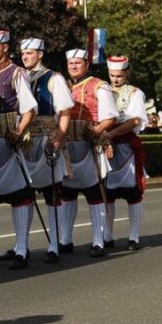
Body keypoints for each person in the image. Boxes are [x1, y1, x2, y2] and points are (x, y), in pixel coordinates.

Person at [0, 29, 37, 268]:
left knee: (18, 196)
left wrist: (18, 132)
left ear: (5, 48)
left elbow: (29, 108)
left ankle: (21, 248)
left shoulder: (17, 73)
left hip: (7, 140)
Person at [18, 37, 73, 262]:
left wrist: (58, 139)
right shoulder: (19, 76)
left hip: (46, 140)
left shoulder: (54, 78)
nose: (25, 56)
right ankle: (22, 245)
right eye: (23, 53)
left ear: (40, 54)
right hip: (26, 141)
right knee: (24, 194)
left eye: (29, 53)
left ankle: (54, 243)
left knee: (52, 195)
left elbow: (65, 111)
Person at [63, 48, 117, 257]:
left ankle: (98, 240)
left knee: (94, 194)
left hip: (89, 146)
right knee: (67, 194)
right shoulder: (64, 85)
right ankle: (65, 239)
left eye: (78, 63)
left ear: (86, 64)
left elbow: (110, 117)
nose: (74, 67)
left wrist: (95, 131)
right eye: (71, 63)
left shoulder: (99, 86)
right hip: (68, 146)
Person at [103, 55, 148, 249]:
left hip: (126, 147)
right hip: (105, 145)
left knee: (133, 192)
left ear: (127, 73)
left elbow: (135, 120)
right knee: (107, 193)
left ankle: (134, 236)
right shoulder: (102, 90)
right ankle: (107, 235)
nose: (115, 79)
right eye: (112, 75)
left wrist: (112, 133)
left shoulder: (135, 93)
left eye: (119, 76)